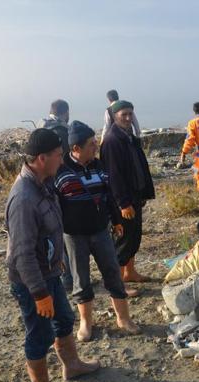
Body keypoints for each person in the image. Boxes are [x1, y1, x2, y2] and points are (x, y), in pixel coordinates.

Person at [5, 129, 100, 382]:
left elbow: (48, 230)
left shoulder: (44, 183)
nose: (62, 160)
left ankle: (72, 365)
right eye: (59, 156)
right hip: (31, 280)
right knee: (39, 331)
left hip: (49, 271)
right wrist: (38, 292)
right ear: (41, 158)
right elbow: (22, 253)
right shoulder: (23, 198)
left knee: (63, 319)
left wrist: (56, 258)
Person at [54, 121, 141, 342]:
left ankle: (123, 318)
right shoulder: (60, 171)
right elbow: (53, 207)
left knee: (112, 272)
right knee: (81, 279)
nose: (96, 147)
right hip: (74, 235)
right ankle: (86, 323)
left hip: (101, 230)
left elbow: (109, 193)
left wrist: (116, 220)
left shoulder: (98, 165)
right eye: (91, 144)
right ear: (76, 148)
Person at [99, 100, 155, 290]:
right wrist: (123, 204)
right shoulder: (112, 141)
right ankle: (117, 284)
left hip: (134, 196)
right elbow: (113, 176)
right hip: (121, 201)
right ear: (115, 117)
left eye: (131, 114)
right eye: (124, 114)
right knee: (123, 241)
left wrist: (144, 192)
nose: (128, 118)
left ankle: (129, 272)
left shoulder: (129, 137)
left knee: (134, 237)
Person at [39, 99, 74, 291]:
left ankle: (63, 277)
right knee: (63, 233)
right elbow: (65, 162)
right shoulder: (62, 132)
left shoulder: (42, 129)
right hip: (59, 187)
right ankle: (68, 278)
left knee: (52, 233)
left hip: (44, 186)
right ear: (65, 112)